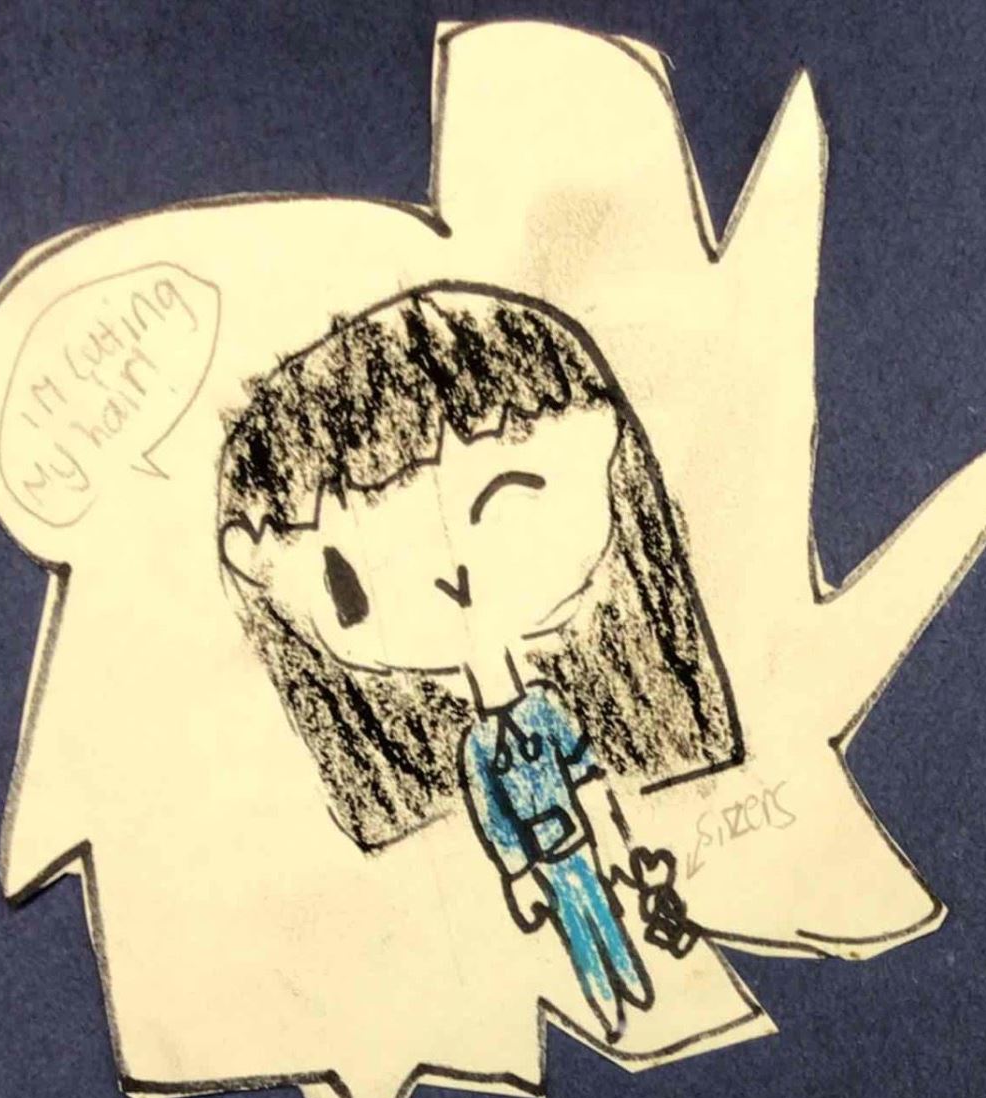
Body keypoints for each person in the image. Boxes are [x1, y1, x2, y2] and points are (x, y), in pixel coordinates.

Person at [216, 284, 729, 1042]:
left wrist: (614, 836)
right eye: (361, 577)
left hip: (582, 844)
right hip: (548, 859)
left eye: (511, 502)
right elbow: (494, 819)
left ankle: (635, 992)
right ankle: (615, 1006)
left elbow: (586, 773)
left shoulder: (547, 708)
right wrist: (518, 876)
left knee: (602, 915)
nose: (451, 579)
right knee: (581, 929)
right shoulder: (479, 747)